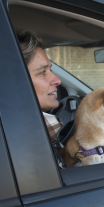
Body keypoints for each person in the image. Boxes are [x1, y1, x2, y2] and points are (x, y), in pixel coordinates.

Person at [17, 31, 66, 169]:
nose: (57, 80)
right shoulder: (26, 143)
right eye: (42, 72)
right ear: (15, 82)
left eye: (50, 70)